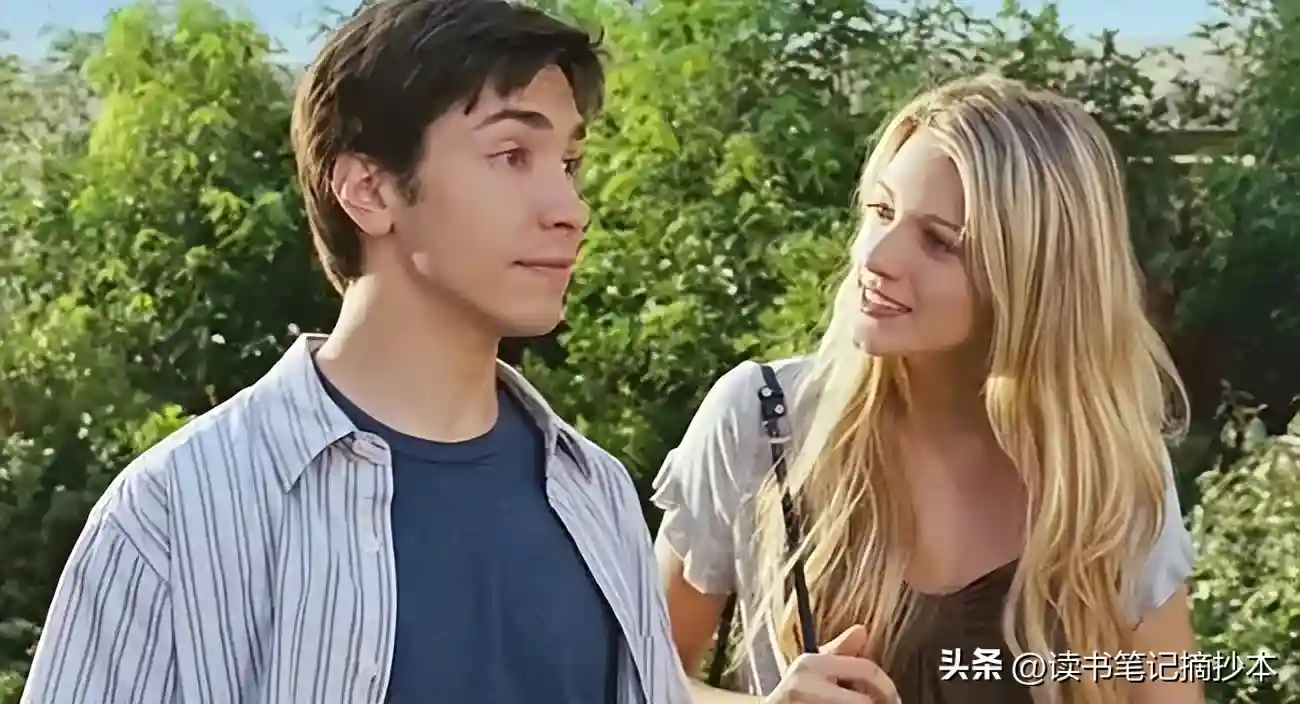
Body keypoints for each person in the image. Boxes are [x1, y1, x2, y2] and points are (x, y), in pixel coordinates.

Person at [22, 1, 689, 702]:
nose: (571, 209)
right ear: (369, 190)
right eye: (512, 156)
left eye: (570, 162)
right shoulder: (179, 510)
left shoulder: (596, 492)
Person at [653, 75, 1202, 704]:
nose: (875, 257)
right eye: (881, 211)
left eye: (939, 242)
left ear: (1033, 280)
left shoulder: (1106, 473)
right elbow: (627, 676)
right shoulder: (763, 421)